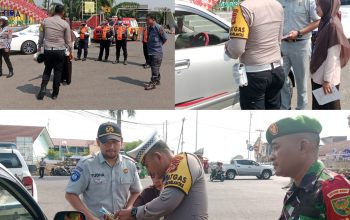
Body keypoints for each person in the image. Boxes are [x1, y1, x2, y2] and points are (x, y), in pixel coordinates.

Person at [266, 115, 350, 219]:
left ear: (303, 146)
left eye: (276, 147)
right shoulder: (295, 189)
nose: (271, 156)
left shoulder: (332, 190)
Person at [116, 130, 208, 220]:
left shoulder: (182, 160)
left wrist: (133, 213)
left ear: (158, 157)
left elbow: (167, 202)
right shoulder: (168, 176)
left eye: (147, 165)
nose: (148, 172)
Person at [65, 122, 142, 220]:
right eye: (106, 142)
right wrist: (91, 218)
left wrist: (128, 208)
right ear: (98, 142)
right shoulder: (86, 164)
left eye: (115, 142)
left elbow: (136, 191)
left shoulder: (130, 165)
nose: (111, 147)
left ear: (121, 141)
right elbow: (70, 194)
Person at [225, 0, 285, 110]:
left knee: (255, 121)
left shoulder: (243, 9)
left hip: (255, 73)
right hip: (277, 70)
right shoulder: (277, 5)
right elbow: (279, 39)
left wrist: (228, 46)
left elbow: (237, 49)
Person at [279, 0, 320, 110]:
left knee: (302, 84)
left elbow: (317, 21)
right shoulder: (279, 1)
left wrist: (299, 32)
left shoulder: (308, 1)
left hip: (301, 45)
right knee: (280, 79)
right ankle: (285, 108)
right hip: (283, 45)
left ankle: (301, 111)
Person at [310, 0, 350, 110]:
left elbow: (333, 56)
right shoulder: (325, 21)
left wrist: (327, 81)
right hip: (319, 76)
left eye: (318, 5)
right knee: (321, 110)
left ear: (326, 5)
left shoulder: (333, 25)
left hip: (327, 80)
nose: (315, 8)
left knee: (331, 111)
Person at [37, 4, 72, 100]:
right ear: (62, 12)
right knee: (58, 72)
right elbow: (68, 41)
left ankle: (42, 89)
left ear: (54, 11)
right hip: (59, 51)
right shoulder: (65, 24)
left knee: (47, 70)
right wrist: (70, 51)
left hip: (48, 50)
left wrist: (39, 47)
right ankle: (55, 94)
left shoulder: (45, 21)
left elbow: (41, 36)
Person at [144, 14, 168, 91]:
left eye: (147, 20)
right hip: (151, 51)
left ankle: (153, 83)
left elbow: (165, 38)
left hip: (156, 52)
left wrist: (158, 47)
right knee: (154, 67)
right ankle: (157, 80)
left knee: (154, 68)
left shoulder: (158, 27)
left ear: (153, 19)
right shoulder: (150, 28)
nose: (146, 21)